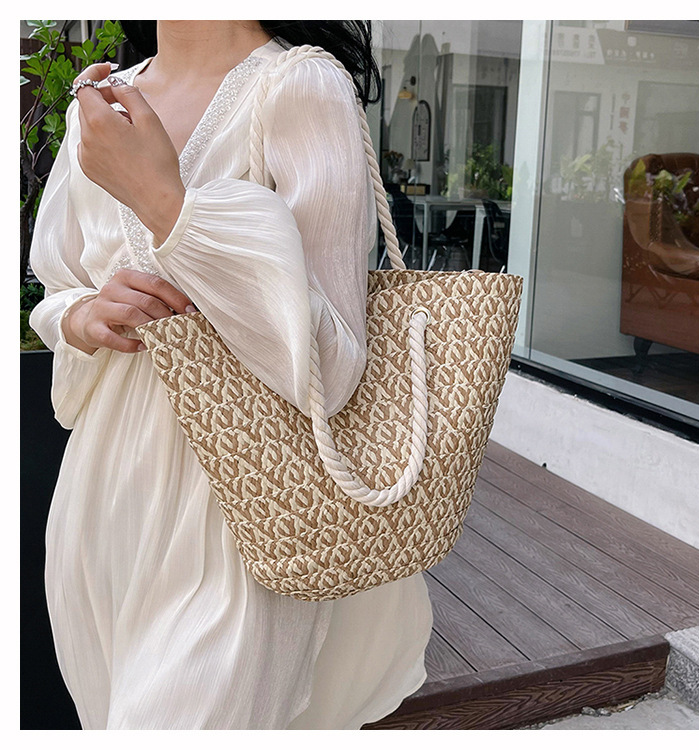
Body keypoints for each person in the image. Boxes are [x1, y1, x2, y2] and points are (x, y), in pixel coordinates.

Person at [29, 20, 433, 730]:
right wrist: (84, 316)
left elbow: (331, 368)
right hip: (102, 497)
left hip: (243, 512)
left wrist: (166, 206)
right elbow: (57, 284)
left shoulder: (300, 87)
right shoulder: (101, 100)